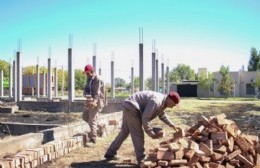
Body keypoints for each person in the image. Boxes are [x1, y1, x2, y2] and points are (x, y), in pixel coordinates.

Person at [104, 90, 180, 164]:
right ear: (170, 99)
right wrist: (151, 134)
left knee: (124, 132)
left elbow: (162, 115)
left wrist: (171, 124)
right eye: (173, 104)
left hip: (129, 105)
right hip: (132, 107)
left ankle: (110, 153)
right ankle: (141, 159)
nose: (173, 106)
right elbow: (145, 118)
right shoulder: (156, 101)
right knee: (138, 134)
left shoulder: (163, 102)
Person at [83, 64, 105, 147]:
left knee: (92, 119)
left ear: (92, 72)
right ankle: (99, 127)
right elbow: (86, 88)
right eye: (86, 73)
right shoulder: (89, 79)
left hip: (97, 102)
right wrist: (85, 94)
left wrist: (94, 102)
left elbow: (97, 93)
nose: (86, 75)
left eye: (88, 73)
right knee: (85, 116)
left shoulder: (97, 79)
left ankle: (93, 139)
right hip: (90, 101)